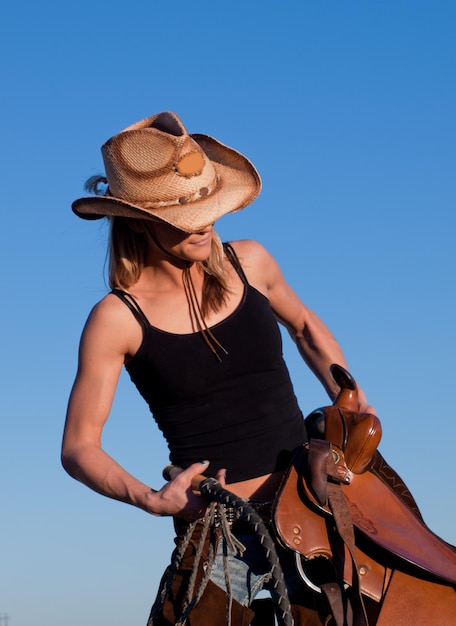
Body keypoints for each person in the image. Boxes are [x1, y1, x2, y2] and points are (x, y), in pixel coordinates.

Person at [62, 111, 374, 626]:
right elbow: (78, 447)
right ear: (139, 221)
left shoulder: (250, 261)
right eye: (184, 216)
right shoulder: (117, 319)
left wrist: (350, 391)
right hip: (219, 532)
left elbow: (305, 327)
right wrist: (152, 498)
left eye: (207, 207)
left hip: (313, 505)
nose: (205, 223)